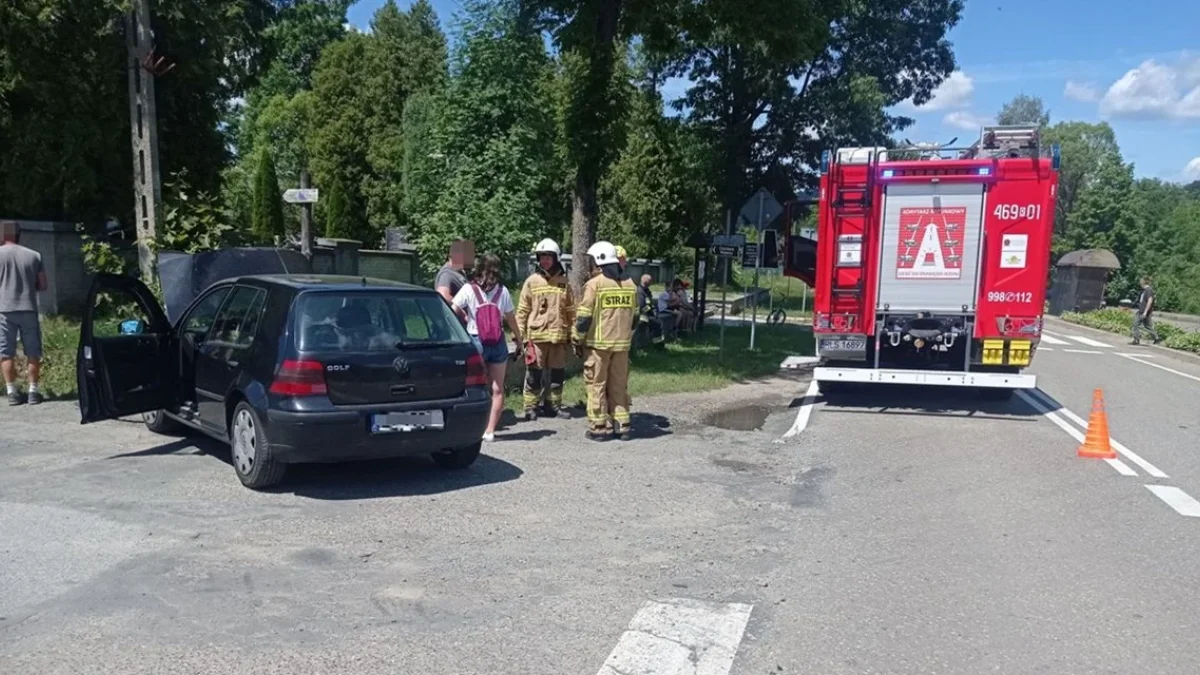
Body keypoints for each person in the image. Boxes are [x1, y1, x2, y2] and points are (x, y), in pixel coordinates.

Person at [451, 254, 522, 442]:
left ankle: (472, 425)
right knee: (497, 389)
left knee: (474, 386)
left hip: (475, 340)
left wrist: (463, 323)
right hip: (497, 342)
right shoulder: (503, 291)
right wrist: (519, 339)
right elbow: (511, 318)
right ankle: (490, 431)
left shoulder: (468, 289)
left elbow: (453, 310)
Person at [573, 241, 638, 441]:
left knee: (596, 385)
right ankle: (622, 425)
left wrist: (577, 339)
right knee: (618, 385)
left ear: (599, 260)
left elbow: (583, 319)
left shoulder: (595, 285)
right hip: (622, 346)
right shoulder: (630, 284)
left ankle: (599, 428)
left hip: (598, 347)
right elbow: (635, 317)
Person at [516, 238, 574, 420]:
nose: (545, 261)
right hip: (537, 338)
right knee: (534, 374)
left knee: (557, 375)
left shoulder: (564, 282)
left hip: (559, 338)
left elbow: (571, 311)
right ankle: (530, 407)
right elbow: (522, 310)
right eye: (542, 257)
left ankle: (553, 406)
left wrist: (574, 334)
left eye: (548, 257)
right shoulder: (532, 281)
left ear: (556, 258)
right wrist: (519, 336)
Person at [0, 221, 48, 406]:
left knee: (6, 353)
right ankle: (33, 392)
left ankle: (12, 392)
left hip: (4, 309)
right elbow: (43, 285)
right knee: (33, 352)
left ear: (3, 235)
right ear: (19, 235)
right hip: (28, 308)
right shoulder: (34, 256)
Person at [436, 239, 475, 306]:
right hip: (456, 316)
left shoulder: (459, 272)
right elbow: (442, 295)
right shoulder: (447, 274)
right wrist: (459, 309)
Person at [1131, 275, 1160, 345]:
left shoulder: (1149, 290)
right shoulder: (1144, 291)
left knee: (1136, 324)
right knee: (1146, 326)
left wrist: (1145, 312)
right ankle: (1156, 338)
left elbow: (1150, 301)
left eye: (1141, 281)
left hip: (1144, 312)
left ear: (1144, 282)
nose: (1140, 282)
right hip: (1141, 311)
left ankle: (1137, 339)